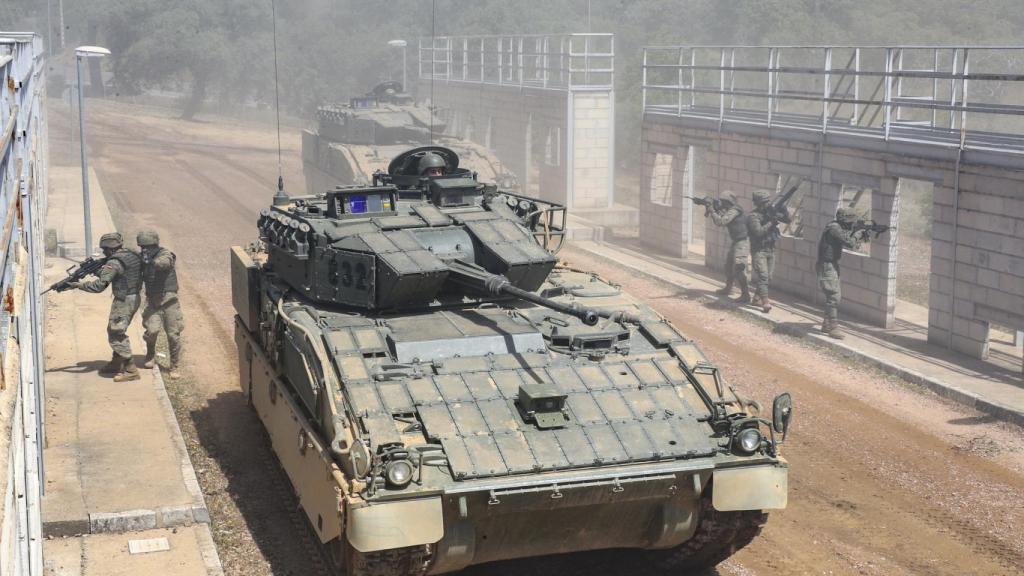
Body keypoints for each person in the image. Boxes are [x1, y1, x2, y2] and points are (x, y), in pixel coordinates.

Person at [69, 232, 143, 382]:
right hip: (133, 296)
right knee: (114, 330)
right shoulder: (130, 254)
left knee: (116, 333)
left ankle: (130, 369)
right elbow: (120, 273)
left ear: (109, 249)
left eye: (105, 250)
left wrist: (79, 285)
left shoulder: (114, 262)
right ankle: (116, 363)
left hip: (124, 301)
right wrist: (97, 270)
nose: (104, 252)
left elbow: (99, 286)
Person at [137, 229, 185, 379]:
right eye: (143, 247)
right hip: (153, 301)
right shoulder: (142, 258)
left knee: (173, 335)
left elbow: (164, 264)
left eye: (149, 247)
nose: (146, 250)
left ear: (156, 245)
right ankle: (150, 354)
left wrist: (151, 262)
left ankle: (174, 365)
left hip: (169, 301)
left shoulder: (165, 254)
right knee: (151, 331)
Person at [816, 207, 864, 339]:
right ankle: (833, 327)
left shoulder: (837, 227)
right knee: (834, 297)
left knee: (833, 297)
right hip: (826, 265)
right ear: (845, 219)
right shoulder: (834, 228)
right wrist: (858, 233)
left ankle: (826, 324)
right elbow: (849, 242)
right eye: (851, 221)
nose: (851, 223)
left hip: (832, 264)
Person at [746, 189, 790, 313]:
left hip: (770, 249)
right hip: (759, 250)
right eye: (763, 202)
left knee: (768, 277)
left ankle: (756, 298)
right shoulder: (753, 217)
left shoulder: (770, 212)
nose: (766, 204)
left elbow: (788, 220)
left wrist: (783, 210)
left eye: (767, 202)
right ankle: (765, 302)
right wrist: (771, 222)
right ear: (758, 203)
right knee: (763, 276)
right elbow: (758, 232)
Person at [707, 192, 750, 302]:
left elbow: (721, 222)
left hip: (742, 242)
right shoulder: (730, 211)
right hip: (736, 242)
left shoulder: (734, 210)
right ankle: (729, 288)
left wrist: (712, 211)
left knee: (739, 269)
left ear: (728, 202)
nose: (721, 203)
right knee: (728, 266)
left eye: (723, 201)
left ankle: (745, 295)